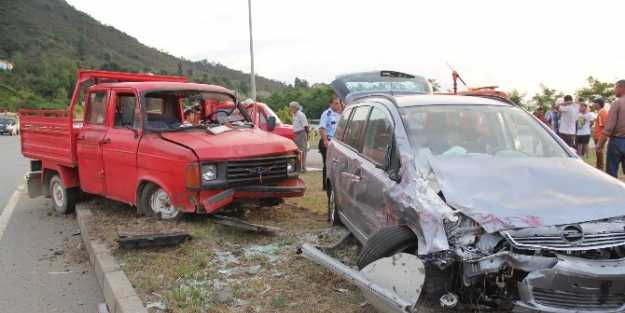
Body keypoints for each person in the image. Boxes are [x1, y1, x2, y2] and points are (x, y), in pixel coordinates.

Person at [597, 80, 625, 178]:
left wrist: (600, 145)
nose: (614, 90)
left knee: (611, 174)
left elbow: (609, 128)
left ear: (622, 88)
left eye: (615, 88)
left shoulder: (617, 103)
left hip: (617, 142)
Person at [318, 95, 343, 191]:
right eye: (336, 103)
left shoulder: (341, 114)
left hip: (337, 142)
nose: (338, 105)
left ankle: (336, 184)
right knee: (327, 164)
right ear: (331, 104)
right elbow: (322, 128)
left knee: (336, 165)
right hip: (328, 141)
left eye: (339, 103)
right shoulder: (327, 114)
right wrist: (325, 140)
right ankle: (325, 185)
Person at [289, 101, 309, 171]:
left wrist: (307, 136)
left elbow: (306, 126)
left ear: (295, 108)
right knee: (297, 151)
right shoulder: (294, 114)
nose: (290, 109)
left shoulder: (301, 114)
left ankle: (303, 167)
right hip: (296, 134)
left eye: (291, 107)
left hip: (301, 133)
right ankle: (298, 166)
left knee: (302, 151)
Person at [592, 97, 608, 170]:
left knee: (599, 152)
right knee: (598, 152)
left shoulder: (602, 112)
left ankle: (600, 167)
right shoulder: (600, 112)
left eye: (595, 103)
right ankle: (598, 166)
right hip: (597, 135)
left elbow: (604, 126)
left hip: (599, 136)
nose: (594, 105)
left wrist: (602, 138)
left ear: (599, 104)